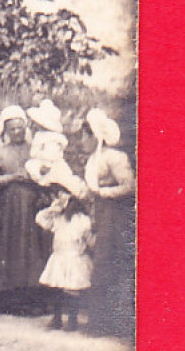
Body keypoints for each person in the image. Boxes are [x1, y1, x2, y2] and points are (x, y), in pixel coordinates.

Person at [0, 105, 47, 314]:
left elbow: (46, 174)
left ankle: (30, 298)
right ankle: (6, 298)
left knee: (30, 249)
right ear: (6, 131)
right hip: (8, 208)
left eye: (20, 128)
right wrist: (12, 177)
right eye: (12, 129)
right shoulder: (0, 153)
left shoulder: (34, 150)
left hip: (31, 206)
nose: (17, 132)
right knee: (7, 248)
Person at [28, 133, 93, 331]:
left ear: (73, 198)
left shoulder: (81, 219)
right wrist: (53, 208)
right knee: (55, 287)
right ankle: (56, 318)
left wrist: (87, 248)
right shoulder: (58, 217)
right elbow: (40, 219)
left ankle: (72, 320)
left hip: (75, 258)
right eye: (58, 194)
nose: (59, 197)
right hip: (59, 257)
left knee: (72, 289)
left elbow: (88, 239)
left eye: (64, 194)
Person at [82, 108, 136, 337]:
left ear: (94, 136)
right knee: (101, 262)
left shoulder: (115, 157)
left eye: (84, 136)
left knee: (111, 262)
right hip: (101, 213)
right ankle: (98, 321)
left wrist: (104, 192)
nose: (81, 141)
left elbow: (130, 186)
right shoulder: (94, 159)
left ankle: (113, 323)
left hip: (116, 216)